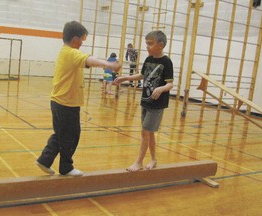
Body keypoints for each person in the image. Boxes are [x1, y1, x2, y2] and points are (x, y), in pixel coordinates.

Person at [36, 21, 121, 176]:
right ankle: (66, 167)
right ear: (75, 39)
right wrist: (108, 64)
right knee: (71, 134)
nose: (82, 43)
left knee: (62, 133)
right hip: (65, 103)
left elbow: (87, 61)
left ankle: (45, 160)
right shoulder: (71, 53)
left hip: (62, 102)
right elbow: (89, 59)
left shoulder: (66, 52)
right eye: (82, 39)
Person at [115, 30, 174, 172]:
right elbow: (142, 75)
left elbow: (170, 83)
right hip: (145, 101)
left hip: (157, 104)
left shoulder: (166, 62)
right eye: (146, 43)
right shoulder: (148, 59)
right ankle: (153, 159)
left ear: (161, 45)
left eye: (150, 43)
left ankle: (139, 162)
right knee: (149, 133)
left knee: (144, 132)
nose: (147, 46)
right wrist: (125, 78)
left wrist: (161, 89)